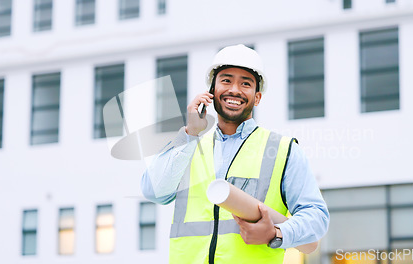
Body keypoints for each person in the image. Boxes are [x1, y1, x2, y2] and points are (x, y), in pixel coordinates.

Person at [141, 44, 329, 264]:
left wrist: (276, 234)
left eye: (245, 83)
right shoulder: (190, 146)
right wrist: (190, 133)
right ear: (212, 91)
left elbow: (316, 217)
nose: (235, 90)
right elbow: (153, 191)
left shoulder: (283, 150)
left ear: (257, 97)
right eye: (226, 80)